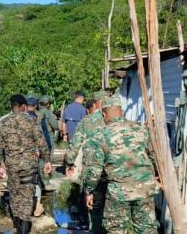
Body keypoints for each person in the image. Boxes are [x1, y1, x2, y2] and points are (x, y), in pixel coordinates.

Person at [82, 95, 159, 234]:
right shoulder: (141, 130)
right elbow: (155, 157)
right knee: (147, 229)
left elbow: (94, 171)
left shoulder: (100, 136)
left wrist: (89, 191)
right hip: (145, 189)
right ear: (122, 112)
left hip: (118, 191)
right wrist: (159, 176)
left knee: (116, 230)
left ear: (104, 114)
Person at [0, 94, 52, 234]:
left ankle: (19, 225)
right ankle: (24, 229)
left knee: (15, 195)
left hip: (12, 166)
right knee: (27, 196)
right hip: (28, 167)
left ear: (11, 106)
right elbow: (41, 142)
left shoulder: (2, 123)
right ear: (24, 106)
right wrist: (47, 160)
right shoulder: (32, 121)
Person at [66, 90, 108, 233]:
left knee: (93, 206)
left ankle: (93, 228)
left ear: (95, 104)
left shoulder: (87, 121)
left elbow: (75, 144)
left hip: (92, 170)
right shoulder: (114, 119)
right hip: (113, 171)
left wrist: (69, 163)